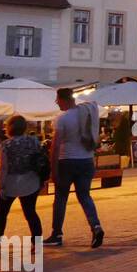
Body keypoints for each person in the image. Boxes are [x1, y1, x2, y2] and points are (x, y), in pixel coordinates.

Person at [45, 87, 104, 248]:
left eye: (57, 100)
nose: (56, 103)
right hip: (86, 161)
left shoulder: (62, 119)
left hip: (67, 162)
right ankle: (96, 226)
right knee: (85, 196)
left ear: (63, 99)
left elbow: (56, 146)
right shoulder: (85, 114)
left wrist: (53, 168)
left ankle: (57, 234)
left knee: (61, 198)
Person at [0, 115, 44, 242]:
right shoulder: (34, 141)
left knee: (1, 214)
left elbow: (4, 167)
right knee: (30, 213)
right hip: (31, 181)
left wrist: (1, 186)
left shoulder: (6, 144)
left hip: (11, 183)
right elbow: (41, 160)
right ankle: (36, 242)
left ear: (9, 128)